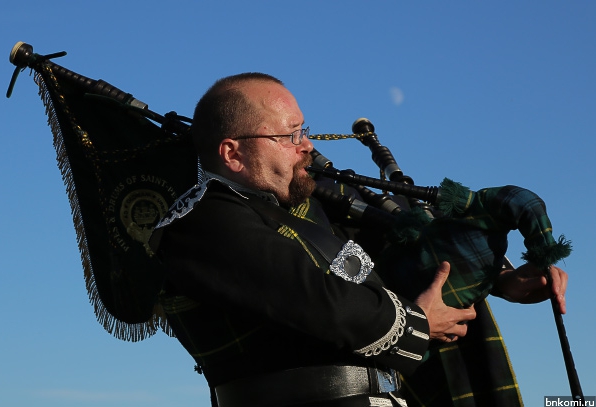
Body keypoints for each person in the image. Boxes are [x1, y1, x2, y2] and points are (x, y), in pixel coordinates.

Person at [148, 73, 567, 407]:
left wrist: (503, 277)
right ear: (232, 154)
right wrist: (419, 324)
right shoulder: (200, 222)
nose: (307, 146)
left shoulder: (311, 207)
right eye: (290, 135)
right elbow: (318, 300)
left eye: (304, 130)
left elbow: (406, 242)